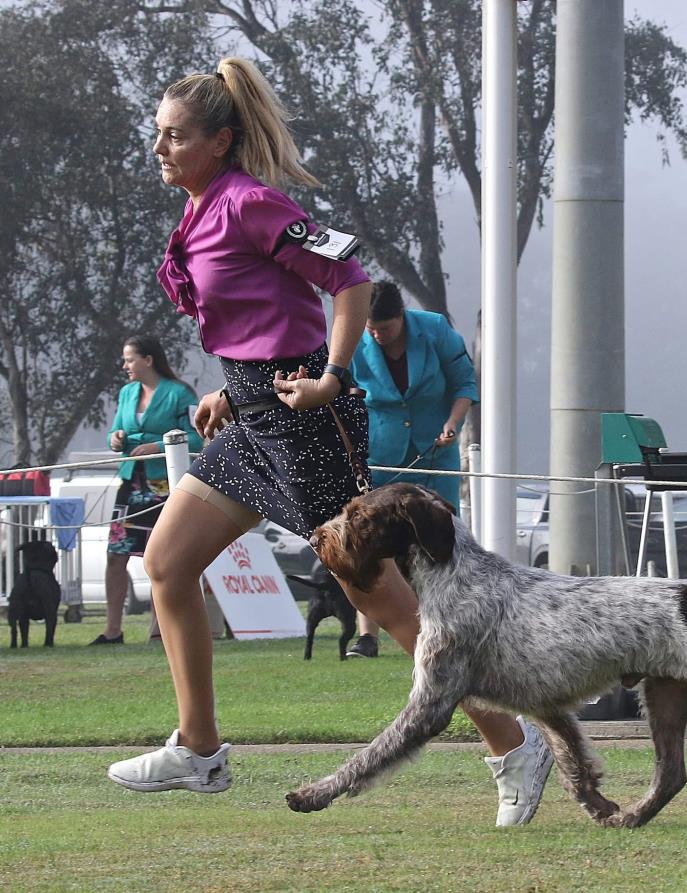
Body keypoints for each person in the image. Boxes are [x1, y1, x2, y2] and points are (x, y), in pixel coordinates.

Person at [106, 57, 552, 827]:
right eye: (158, 134)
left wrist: (335, 376)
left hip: (307, 420)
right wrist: (230, 391)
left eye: (175, 136)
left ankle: (516, 745)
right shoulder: (200, 210)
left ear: (220, 141)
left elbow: (350, 282)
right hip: (253, 417)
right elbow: (261, 320)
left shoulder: (253, 202)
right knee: (167, 563)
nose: (160, 148)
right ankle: (200, 750)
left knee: (385, 602)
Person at [344, 281, 476, 659]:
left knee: (442, 539)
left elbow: (464, 383)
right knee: (369, 540)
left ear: (401, 316)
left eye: (384, 327)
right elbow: (343, 392)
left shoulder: (434, 330)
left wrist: (453, 423)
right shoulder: (353, 339)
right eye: (370, 328)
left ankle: (449, 623)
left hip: (436, 451)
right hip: (378, 455)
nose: (376, 335)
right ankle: (367, 636)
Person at [92, 336, 201, 645]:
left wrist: (157, 445)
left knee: (162, 558)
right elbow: (113, 432)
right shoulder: (126, 393)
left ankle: (159, 629)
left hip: (165, 487)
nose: (124, 366)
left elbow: (196, 438)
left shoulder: (180, 393)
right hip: (131, 483)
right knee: (116, 555)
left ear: (148, 360)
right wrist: (115, 439)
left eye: (129, 359)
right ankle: (112, 630)